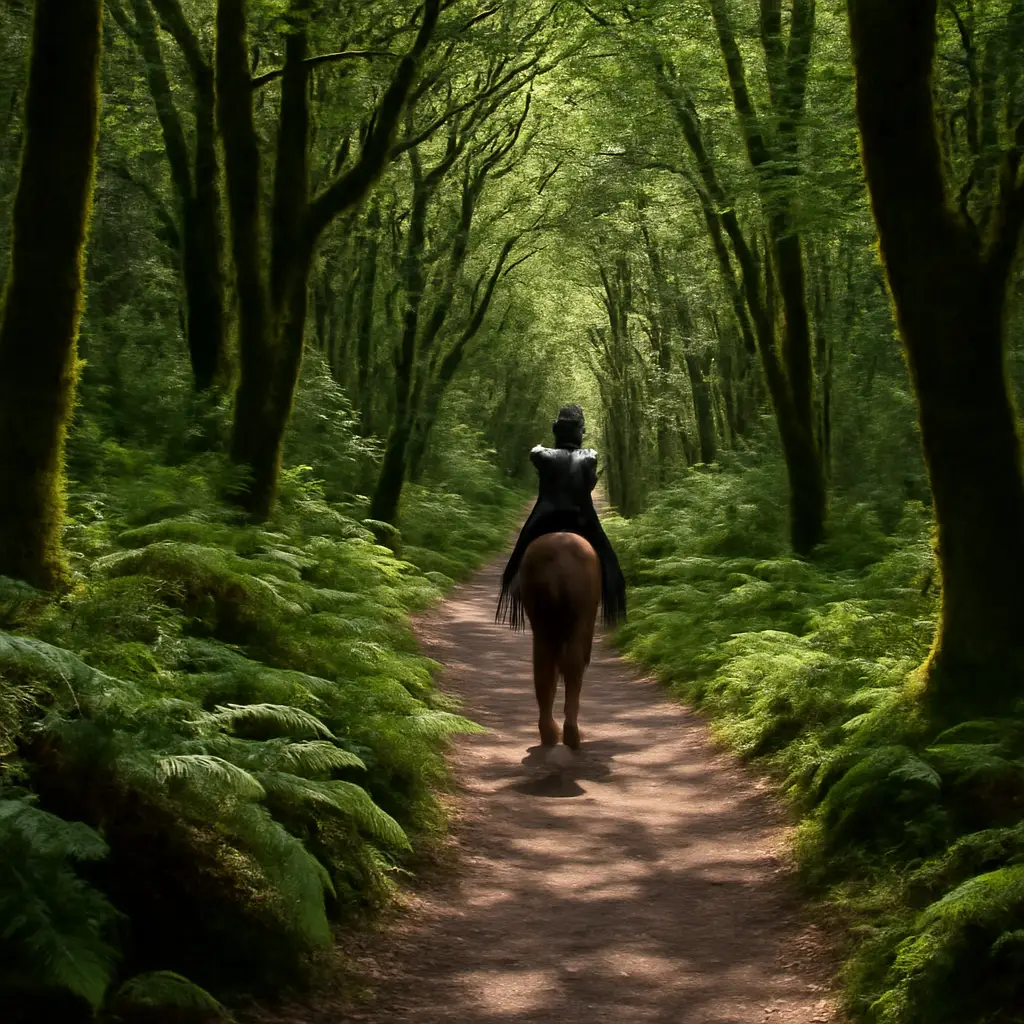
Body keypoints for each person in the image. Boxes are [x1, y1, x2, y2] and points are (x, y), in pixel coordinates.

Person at [496, 404, 627, 631]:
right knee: (609, 561)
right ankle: (614, 603)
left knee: (519, 553)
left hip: (545, 516)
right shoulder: (590, 456)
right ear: (579, 432)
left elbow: (536, 452)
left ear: (557, 430)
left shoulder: (540, 454)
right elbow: (588, 484)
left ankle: (512, 588)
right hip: (582, 517)